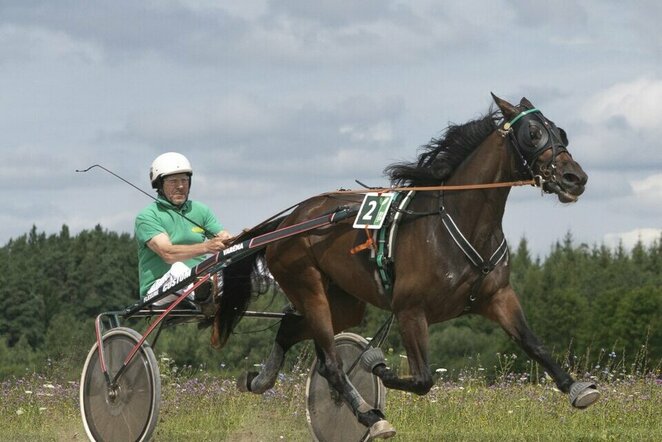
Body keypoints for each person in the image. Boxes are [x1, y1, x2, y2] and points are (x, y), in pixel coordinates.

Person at [135, 152, 231, 311]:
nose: (180, 186)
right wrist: (206, 247)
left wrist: (230, 240)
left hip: (198, 279)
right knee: (179, 268)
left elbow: (222, 236)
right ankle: (203, 295)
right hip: (158, 291)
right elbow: (168, 254)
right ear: (159, 184)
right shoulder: (147, 217)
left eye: (184, 180)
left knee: (252, 266)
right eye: (173, 181)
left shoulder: (200, 210)